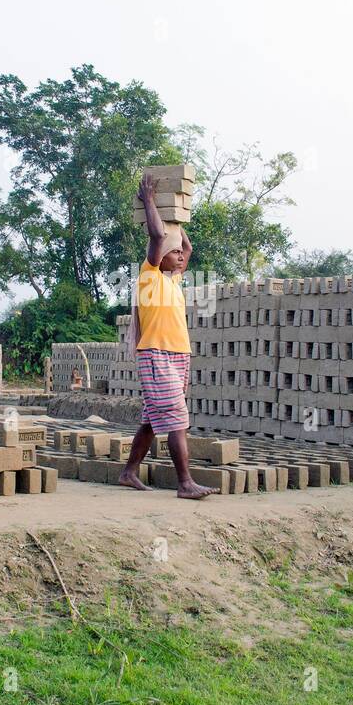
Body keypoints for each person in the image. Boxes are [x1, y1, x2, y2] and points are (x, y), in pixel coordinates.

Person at [117, 173, 218, 499]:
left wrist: (177, 216)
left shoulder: (173, 281)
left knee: (152, 418)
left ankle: (128, 472)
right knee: (176, 417)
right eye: (172, 253)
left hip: (177, 355)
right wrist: (150, 200)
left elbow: (185, 245)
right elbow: (159, 235)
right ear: (159, 256)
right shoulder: (148, 276)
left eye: (177, 254)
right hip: (156, 353)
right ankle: (185, 483)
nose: (179, 256)